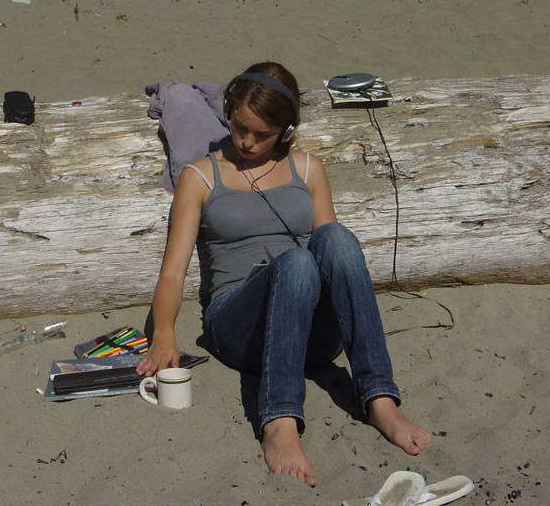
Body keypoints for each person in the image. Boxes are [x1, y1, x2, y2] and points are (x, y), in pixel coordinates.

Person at [136, 61, 431, 486]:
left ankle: (379, 398)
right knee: (295, 262)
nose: (247, 142)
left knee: (336, 238)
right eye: (240, 127)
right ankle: (280, 421)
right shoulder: (200, 176)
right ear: (229, 114)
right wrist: (163, 333)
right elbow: (173, 272)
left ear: (287, 131)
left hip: (311, 333)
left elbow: (334, 258)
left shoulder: (308, 169)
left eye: (263, 134)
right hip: (241, 329)